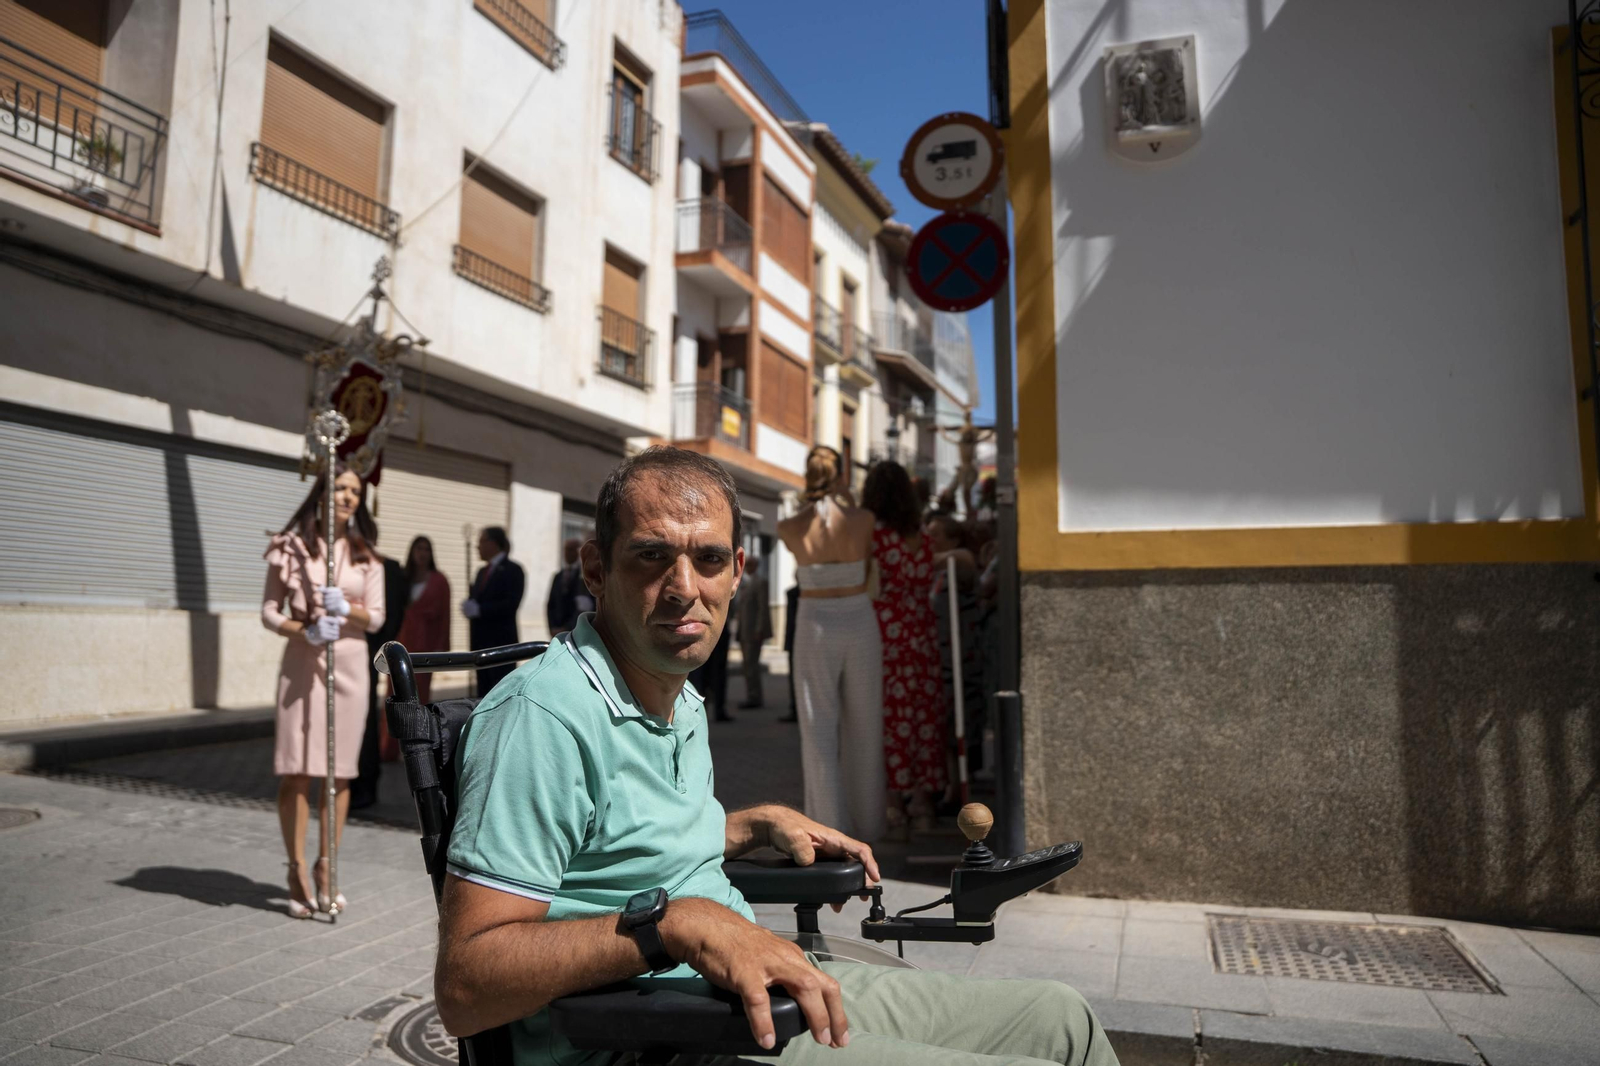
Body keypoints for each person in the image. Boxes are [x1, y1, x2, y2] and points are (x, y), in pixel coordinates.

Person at [433, 445, 1119, 1066]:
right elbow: (466, 987)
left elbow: (619, 840)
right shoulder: (542, 720)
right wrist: (675, 926)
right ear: (594, 567)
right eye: (650, 556)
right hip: (654, 1041)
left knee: (1065, 1019)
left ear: (738, 571)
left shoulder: (678, 697)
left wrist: (748, 823)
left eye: (707, 559)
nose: (683, 587)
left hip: (748, 992)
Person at [261, 463, 386, 918]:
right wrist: (303, 630)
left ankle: (326, 867)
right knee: (297, 769)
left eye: (356, 491)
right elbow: (269, 612)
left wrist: (347, 609)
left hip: (350, 665)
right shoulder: (290, 548)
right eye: (341, 487)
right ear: (322, 492)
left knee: (340, 774)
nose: (350, 496)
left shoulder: (365, 555)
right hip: (303, 660)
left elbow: (375, 617)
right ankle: (295, 869)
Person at [777, 445, 884, 843]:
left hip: (815, 620)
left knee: (817, 727)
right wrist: (848, 500)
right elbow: (870, 560)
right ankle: (869, 823)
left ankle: (828, 827)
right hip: (858, 616)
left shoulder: (789, 526)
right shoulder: (864, 519)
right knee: (866, 722)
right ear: (840, 474)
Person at [862, 461, 946, 840]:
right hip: (923, 631)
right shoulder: (923, 536)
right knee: (924, 714)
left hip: (887, 632)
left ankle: (894, 803)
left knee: (891, 717)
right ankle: (923, 803)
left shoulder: (874, 535)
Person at [928, 513, 985, 807]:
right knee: (946, 723)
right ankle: (950, 786)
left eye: (936, 534)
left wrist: (926, 554)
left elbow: (964, 559)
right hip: (942, 657)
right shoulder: (935, 571)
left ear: (952, 538)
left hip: (963, 658)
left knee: (960, 722)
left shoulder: (959, 561)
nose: (930, 539)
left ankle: (961, 789)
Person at [353, 537, 408, 810]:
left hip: (369, 650)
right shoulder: (346, 566)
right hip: (347, 650)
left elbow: (395, 613)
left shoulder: (390, 568)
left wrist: (379, 647)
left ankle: (365, 782)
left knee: (365, 720)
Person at [386, 535, 451, 745]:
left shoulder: (439, 581)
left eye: (426, 549)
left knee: (419, 695)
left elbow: (445, 617)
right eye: (418, 549)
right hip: (401, 642)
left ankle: (416, 744)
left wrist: (443, 648)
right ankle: (388, 745)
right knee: (394, 694)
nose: (422, 554)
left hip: (426, 645)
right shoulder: (403, 578)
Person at [463, 526, 525, 695]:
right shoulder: (482, 572)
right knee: (482, 693)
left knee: (500, 693)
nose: (478, 546)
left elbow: (511, 604)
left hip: (501, 644)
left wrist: (481, 610)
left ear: (494, 543)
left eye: (482, 541)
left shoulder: (513, 570)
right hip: (480, 644)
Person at [735, 555, 773, 709]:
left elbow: (763, 608)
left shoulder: (760, 582)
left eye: (750, 565)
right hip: (744, 631)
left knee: (752, 666)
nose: (748, 568)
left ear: (756, 566)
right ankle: (751, 694)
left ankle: (754, 697)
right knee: (747, 665)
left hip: (753, 632)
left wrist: (759, 629)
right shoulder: (745, 583)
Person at [545, 537, 592, 637]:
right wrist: (552, 628)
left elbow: (584, 607)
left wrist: (567, 628)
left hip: (575, 632)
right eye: (565, 549)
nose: (567, 553)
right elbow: (551, 604)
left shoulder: (584, 576)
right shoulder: (558, 576)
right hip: (557, 630)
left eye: (570, 550)